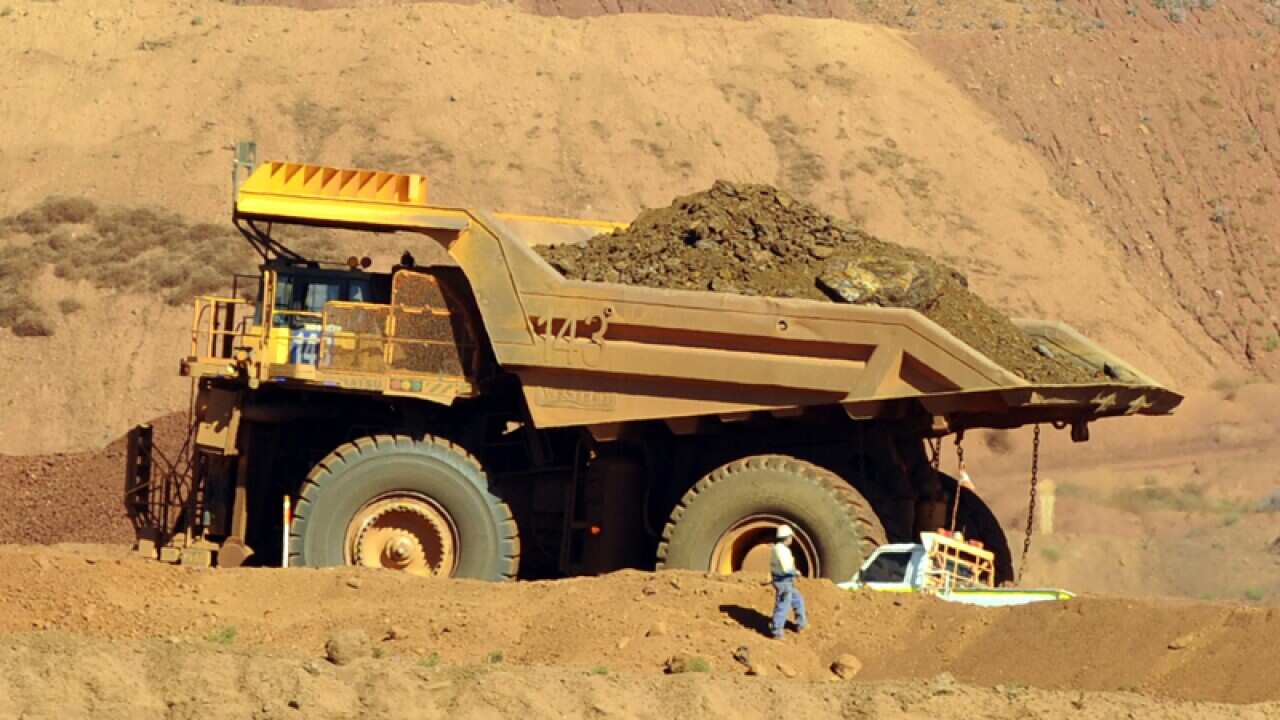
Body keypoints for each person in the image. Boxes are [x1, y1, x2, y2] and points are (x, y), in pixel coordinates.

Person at [770, 525, 807, 639]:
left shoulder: (779, 548)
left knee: (798, 599)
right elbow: (786, 568)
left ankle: (801, 624)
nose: (792, 539)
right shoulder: (781, 550)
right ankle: (776, 631)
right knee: (783, 605)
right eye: (791, 537)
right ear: (787, 537)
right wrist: (795, 572)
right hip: (783, 582)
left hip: (786, 582)